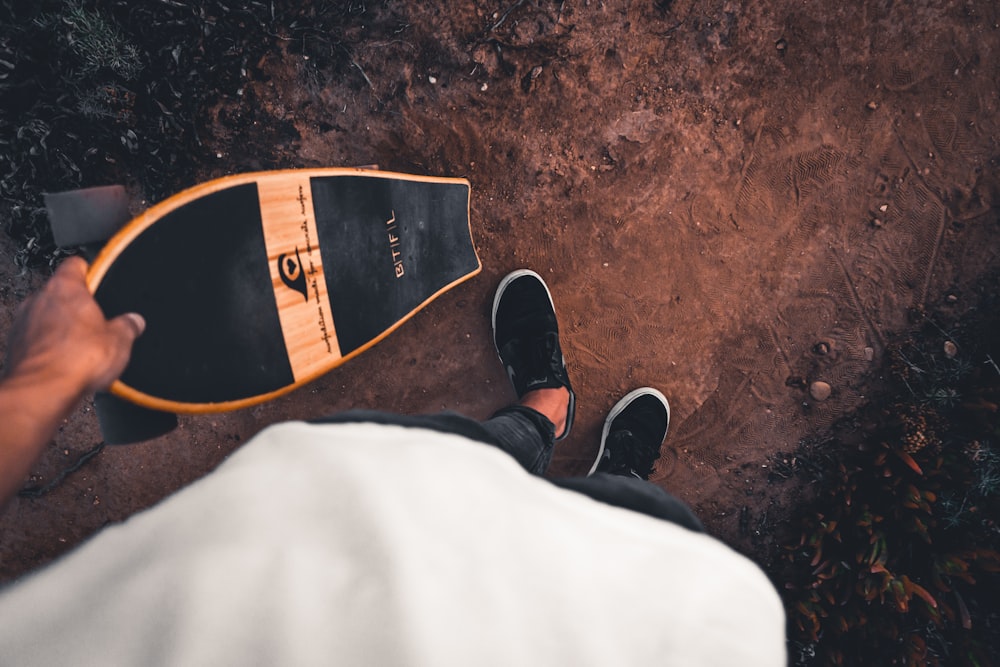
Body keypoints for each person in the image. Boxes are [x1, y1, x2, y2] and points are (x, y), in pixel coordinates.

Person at [0, 259, 786, 665]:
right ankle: (609, 484)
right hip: (638, 632)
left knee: (461, 463)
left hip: (334, 520)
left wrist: (42, 381)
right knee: (635, 537)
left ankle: (543, 419)